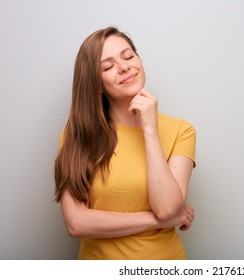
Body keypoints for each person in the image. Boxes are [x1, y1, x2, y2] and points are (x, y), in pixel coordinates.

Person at [54, 26, 196, 260]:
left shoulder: (182, 131)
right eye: (108, 66)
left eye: (128, 56)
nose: (124, 67)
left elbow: (167, 208)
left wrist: (149, 129)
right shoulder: (77, 135)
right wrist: (157, 220)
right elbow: (76, 223)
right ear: (96, 83)